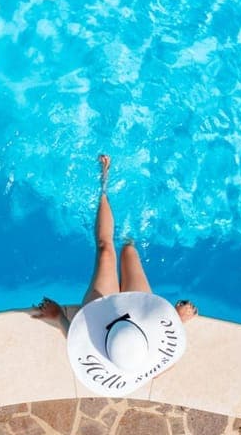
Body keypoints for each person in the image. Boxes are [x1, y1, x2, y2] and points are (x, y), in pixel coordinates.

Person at [33, 154, 198, 395]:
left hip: (102, 315)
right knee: (130, 251)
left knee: (106, 251)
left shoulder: (102, 357)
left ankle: (104, 185)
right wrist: (175, 320)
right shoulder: (138, 358)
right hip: (141, 322)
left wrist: (58, 316)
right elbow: (162, 365)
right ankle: (128, 214)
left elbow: (75, 337)